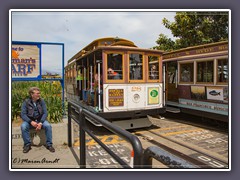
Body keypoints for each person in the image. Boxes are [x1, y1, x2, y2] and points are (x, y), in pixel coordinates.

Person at [20, 87, 55, 153]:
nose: (39, 95)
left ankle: (49, 145)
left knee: (48, 126)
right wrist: (30, 122)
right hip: (30, 121)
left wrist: (41, 123)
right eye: (37, 93)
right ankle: (27, 145)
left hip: (40, 120)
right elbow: (23, 114)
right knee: (23, 126)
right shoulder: (26, 102)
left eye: (39, 93)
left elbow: (45, 113)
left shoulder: (42, 101)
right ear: (32, 94)